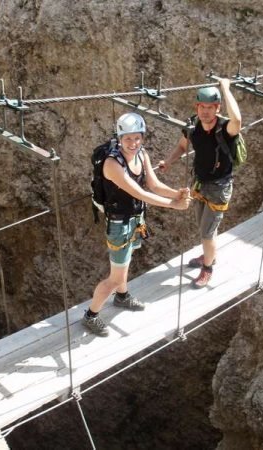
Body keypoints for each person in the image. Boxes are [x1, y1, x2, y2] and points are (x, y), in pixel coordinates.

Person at [84, 112, 191, 337]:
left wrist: (176, 193)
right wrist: (174, 204)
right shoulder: (112, 165)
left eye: (137, 138)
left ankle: (122, 297)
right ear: (120, 138)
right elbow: (139, 192)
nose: (133, 143)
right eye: (128, 139)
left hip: (135, 219)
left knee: (126, 261)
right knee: (115, 278)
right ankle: (91, 315)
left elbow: (153, 184)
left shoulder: (142, 155)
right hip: (119, 224)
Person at [159, 78, 242, 289]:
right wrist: (168, 162)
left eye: (210, 107)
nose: (205, 111)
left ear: (217, 108)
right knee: (203, 227)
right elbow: (182, 145)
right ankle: (208, 255)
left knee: (207, 232)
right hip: (201, 184)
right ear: (197, 107)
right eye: (202, 107)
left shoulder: (225, 129)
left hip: (219, 188)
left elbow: (238, 120)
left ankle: (208, 268)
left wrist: (225, 88)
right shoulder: (193, 125)